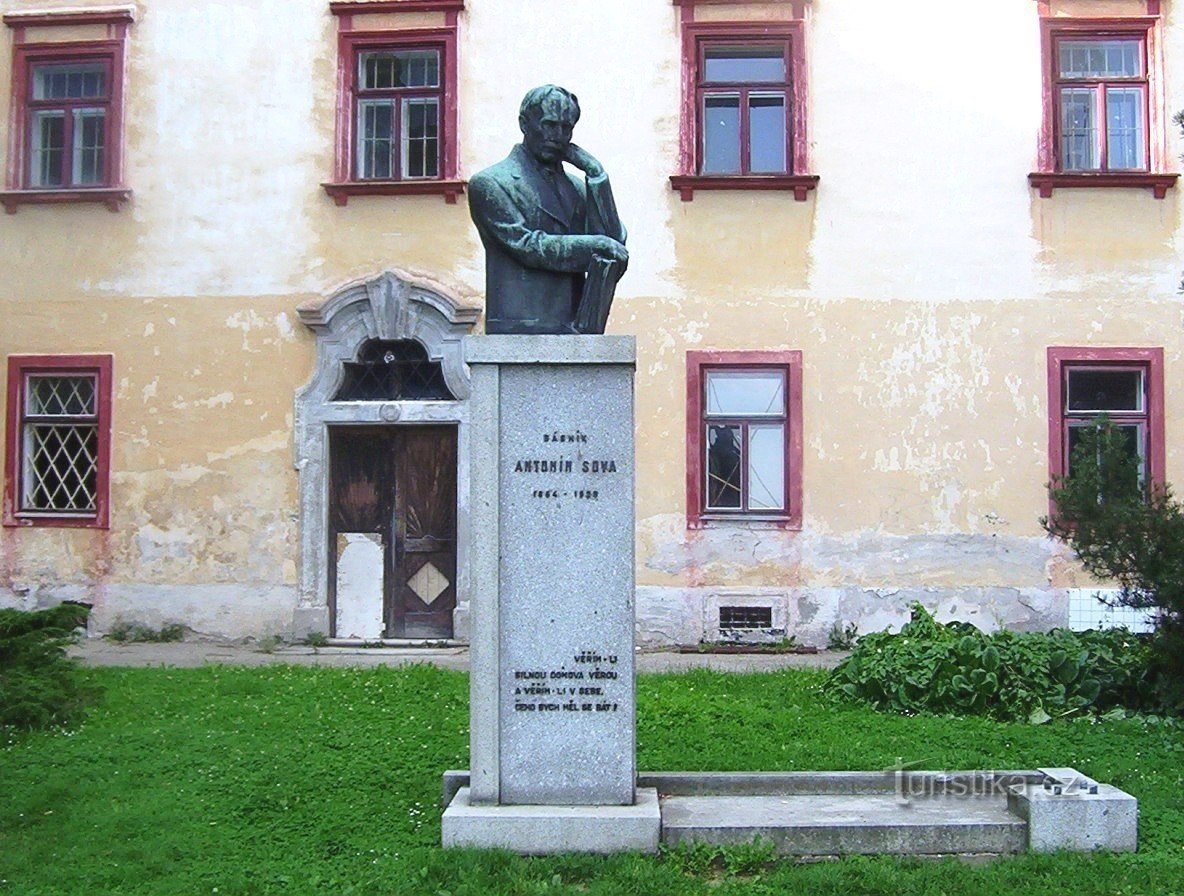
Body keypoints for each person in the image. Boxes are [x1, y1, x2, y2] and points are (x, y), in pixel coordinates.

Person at [468, 85, 628, 335]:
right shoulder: (491, 183)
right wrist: (596, 246)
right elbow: (528, 246)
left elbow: (614, 245)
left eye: (566, 128)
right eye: (549, 124)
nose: (557, 135)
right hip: (521, 323)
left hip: (576, 323)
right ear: (524, 124)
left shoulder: (579, 187)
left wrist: (596, 174)